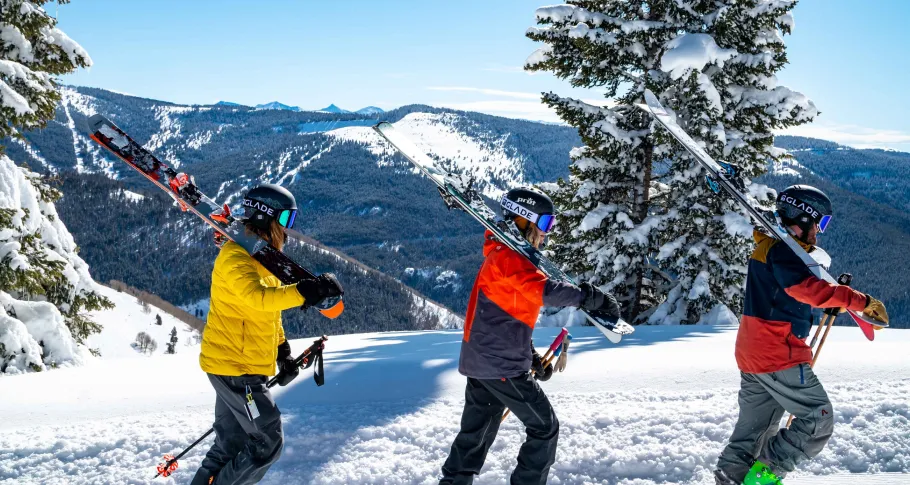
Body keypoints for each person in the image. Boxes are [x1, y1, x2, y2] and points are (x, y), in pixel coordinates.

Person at [439, 187, 621, 485]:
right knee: (544, 428)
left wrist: (531, 356)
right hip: (500, 366)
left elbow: (507, 317)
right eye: (545, 224)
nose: (546, 234)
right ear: (525, 220)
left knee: (477, 434)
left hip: (483, 361)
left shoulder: (501, 255)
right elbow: (545, 290)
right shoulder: (510, 259)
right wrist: (589, 297)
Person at [714, 185, 889, 485]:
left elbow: (784, 295)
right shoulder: (782, 251)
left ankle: (731, 477)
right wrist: (858, 300)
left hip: (753, 352)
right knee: (818, 419)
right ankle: (765, 476)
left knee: (755, 430)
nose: (819, 233)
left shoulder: (770, 246)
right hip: (777, 353)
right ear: (803, 218)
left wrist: (832, 302)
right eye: (819, 223)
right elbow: (805, 289)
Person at [191, 184, 343, 485]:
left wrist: (282, 351)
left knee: (229, 445)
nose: (287, 230)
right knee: (267, 441)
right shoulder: (235, 257)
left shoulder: (261, 261)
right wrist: (303, 292)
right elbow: (257, 298)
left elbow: (267, 311)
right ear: (265, 218)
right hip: (237, 370)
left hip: (237, 366)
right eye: (285, 220)